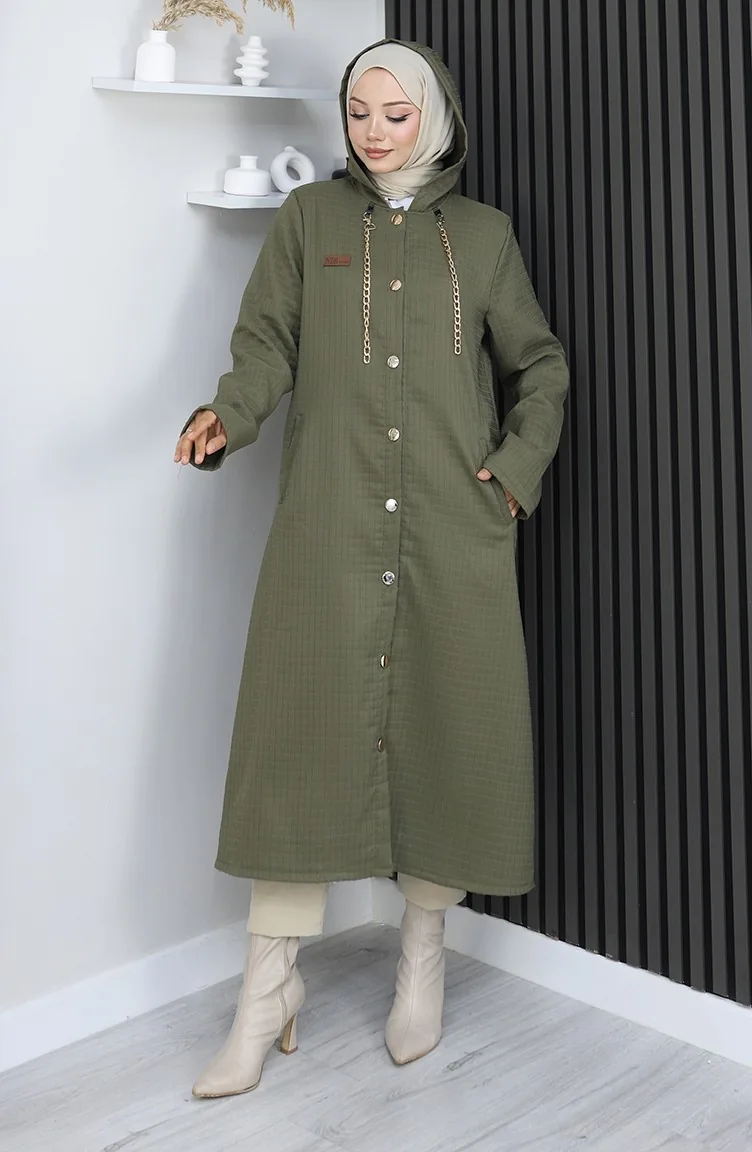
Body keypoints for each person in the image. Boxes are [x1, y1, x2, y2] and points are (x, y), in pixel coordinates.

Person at [175, 38, 569, 1099]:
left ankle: (420, 961)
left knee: (449, 734)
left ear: (433, 116)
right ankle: (266, 996)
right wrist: (228, 414)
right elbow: (265, 343)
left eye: (396, 113)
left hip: (453, 529)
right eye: (359, 111)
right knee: (294, 744)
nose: (375, 131)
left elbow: (538, 366)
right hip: (329, 524)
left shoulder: (481, 237)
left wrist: (511, 477)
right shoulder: (309, 222)